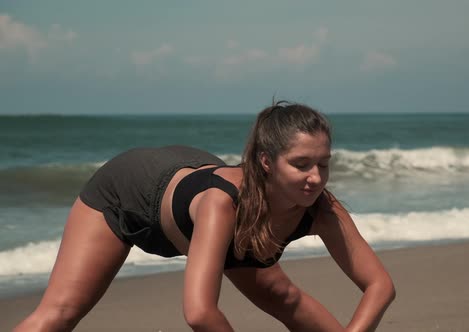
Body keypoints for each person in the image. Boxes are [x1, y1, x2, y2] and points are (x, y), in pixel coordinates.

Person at [14, 101, 395, 332]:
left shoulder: (322, 207)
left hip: (192, 174)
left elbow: (380, 286)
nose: (315, 177)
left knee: (282, 294)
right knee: (60, 315)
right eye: (301, 164)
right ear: (266, 162)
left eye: (323, 164)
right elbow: (199, 313)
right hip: (127, 192)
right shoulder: (222, 205)